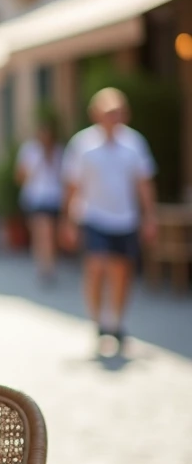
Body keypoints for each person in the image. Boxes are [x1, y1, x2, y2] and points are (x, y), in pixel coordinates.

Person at [61, 87, 158, 353]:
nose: (113, 117)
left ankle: (115, 321)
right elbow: (72, 185)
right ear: (96, 114)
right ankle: (98, 319)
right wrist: (67, 221)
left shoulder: (134, 143)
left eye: (118, 112)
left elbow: (144, 183)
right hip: (93, 215)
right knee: (95, 266)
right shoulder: (82, 144)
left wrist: (150, 217)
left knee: (121, 270)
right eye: (108, 112)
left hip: (125, 218)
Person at [16, 117, 65, 284]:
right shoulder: (30, 151)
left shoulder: (58, 151)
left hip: (54, 197)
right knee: (42, 232)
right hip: (35, 197)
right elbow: (20, 176)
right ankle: (44, 266)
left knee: (50, 234)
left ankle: (48, 264)